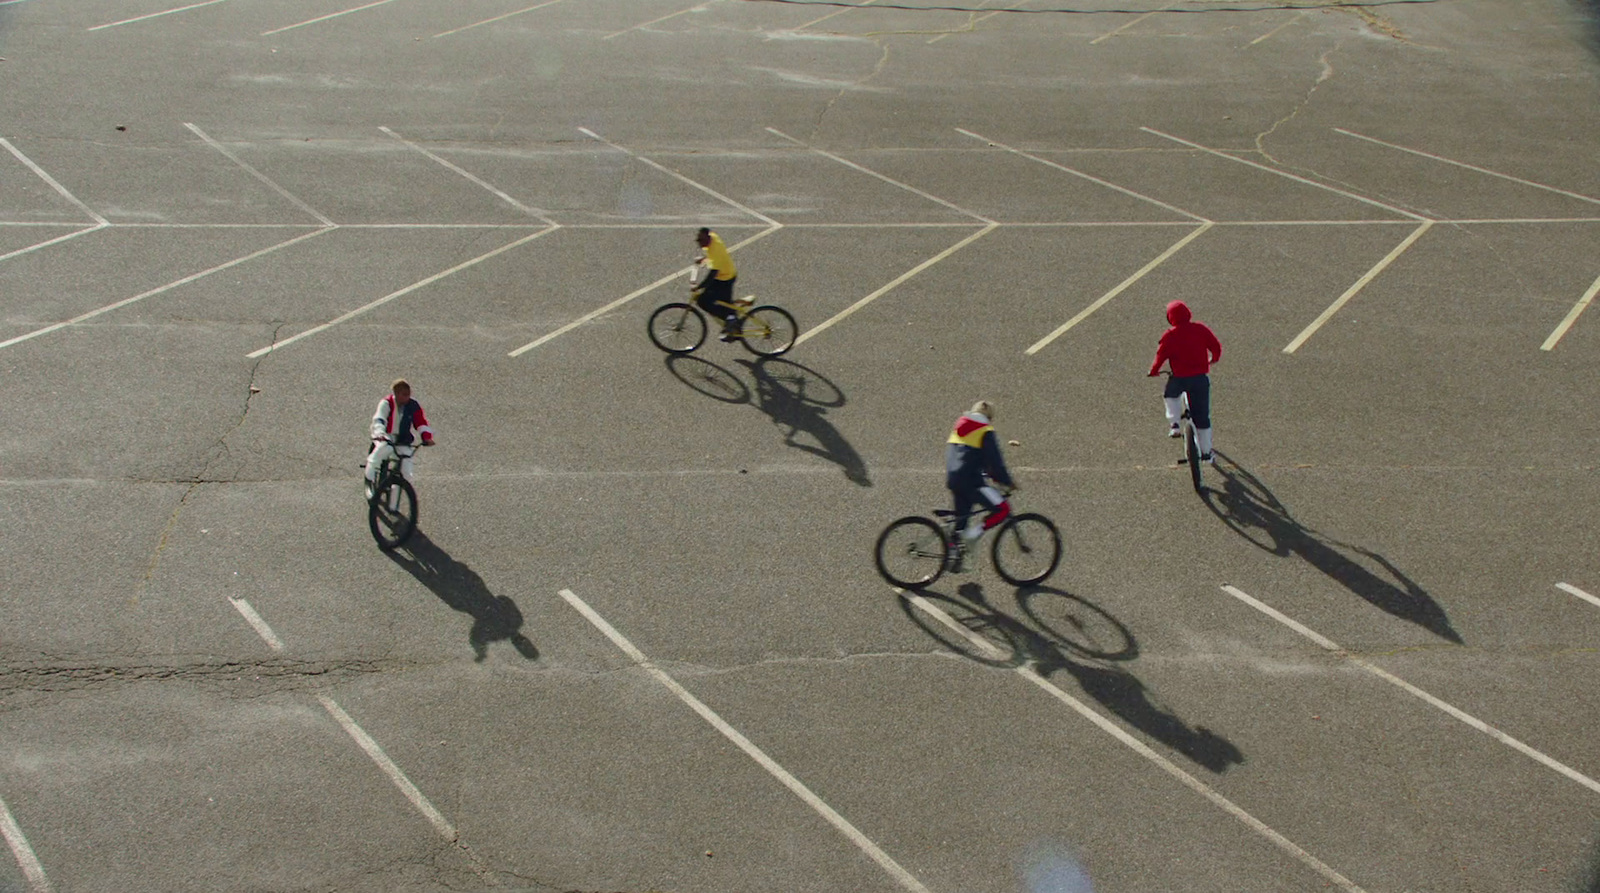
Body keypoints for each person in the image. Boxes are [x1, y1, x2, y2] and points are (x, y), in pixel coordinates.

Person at [1147, 299, 1221, 464]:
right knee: (1202, 418)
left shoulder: (1170, 335)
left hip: (1179, 378)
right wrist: (1214, 358)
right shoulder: (1200, 329)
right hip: (1199, 379)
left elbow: (1160, 356)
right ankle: (1206, 453)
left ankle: (1174, 424)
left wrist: (1154, 371)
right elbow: (1215, 346)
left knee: (1170, 395)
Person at [945, 400, 1015, 572]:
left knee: (961, 520)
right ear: (989, 417)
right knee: (1003, 509)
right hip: (971, 482)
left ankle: (952, 554)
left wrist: (987, 473)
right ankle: (974, 534)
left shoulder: (960, 425)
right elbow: (994, 462)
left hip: (954, 478)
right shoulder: (985, 431)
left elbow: (970, 455)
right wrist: (1006, 482)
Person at [365, 379, 434, 495]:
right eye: (404, 395)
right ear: (396, 393)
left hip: (403, 439)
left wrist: (426, 437)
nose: (407, 398)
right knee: (384, 449)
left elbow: (420, 422)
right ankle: (370, 475)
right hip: (386, 435)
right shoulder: (386, 403)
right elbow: (379, 419)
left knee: (406, 470)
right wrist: (380, 433)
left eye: (408, 394)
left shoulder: (413, 405)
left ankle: (393, 504)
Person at [692, 227, 740, 341]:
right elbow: (714, 257)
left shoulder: (715, 249)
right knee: (725, 304)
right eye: (698, 240)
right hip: (725, 274)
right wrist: (704, 259)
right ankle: (732, 326)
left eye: (701, 240)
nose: (699, 243)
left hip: (725, 278)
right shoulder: (712, 238)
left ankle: (731, 322)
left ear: (708, 238)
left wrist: (699, 287)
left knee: (703, 301)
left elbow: (712, 274)